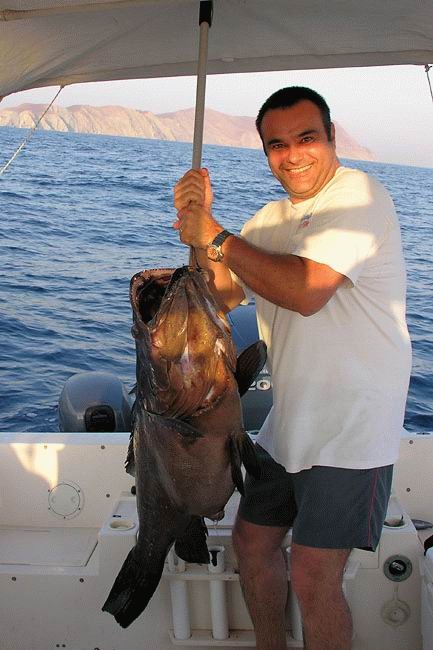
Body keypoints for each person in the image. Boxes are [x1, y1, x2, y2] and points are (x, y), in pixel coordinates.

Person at [173, 86, 412, 650]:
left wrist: (218, 236)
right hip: (289, 424)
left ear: (331, 136)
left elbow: (305, 291)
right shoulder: (270, 219)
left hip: (353, 431)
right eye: (277, 145)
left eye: (307, 138)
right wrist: (197, 227)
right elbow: (220, 295)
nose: (293, 154)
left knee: (312, 572)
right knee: (251, 544)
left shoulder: (361, 196)